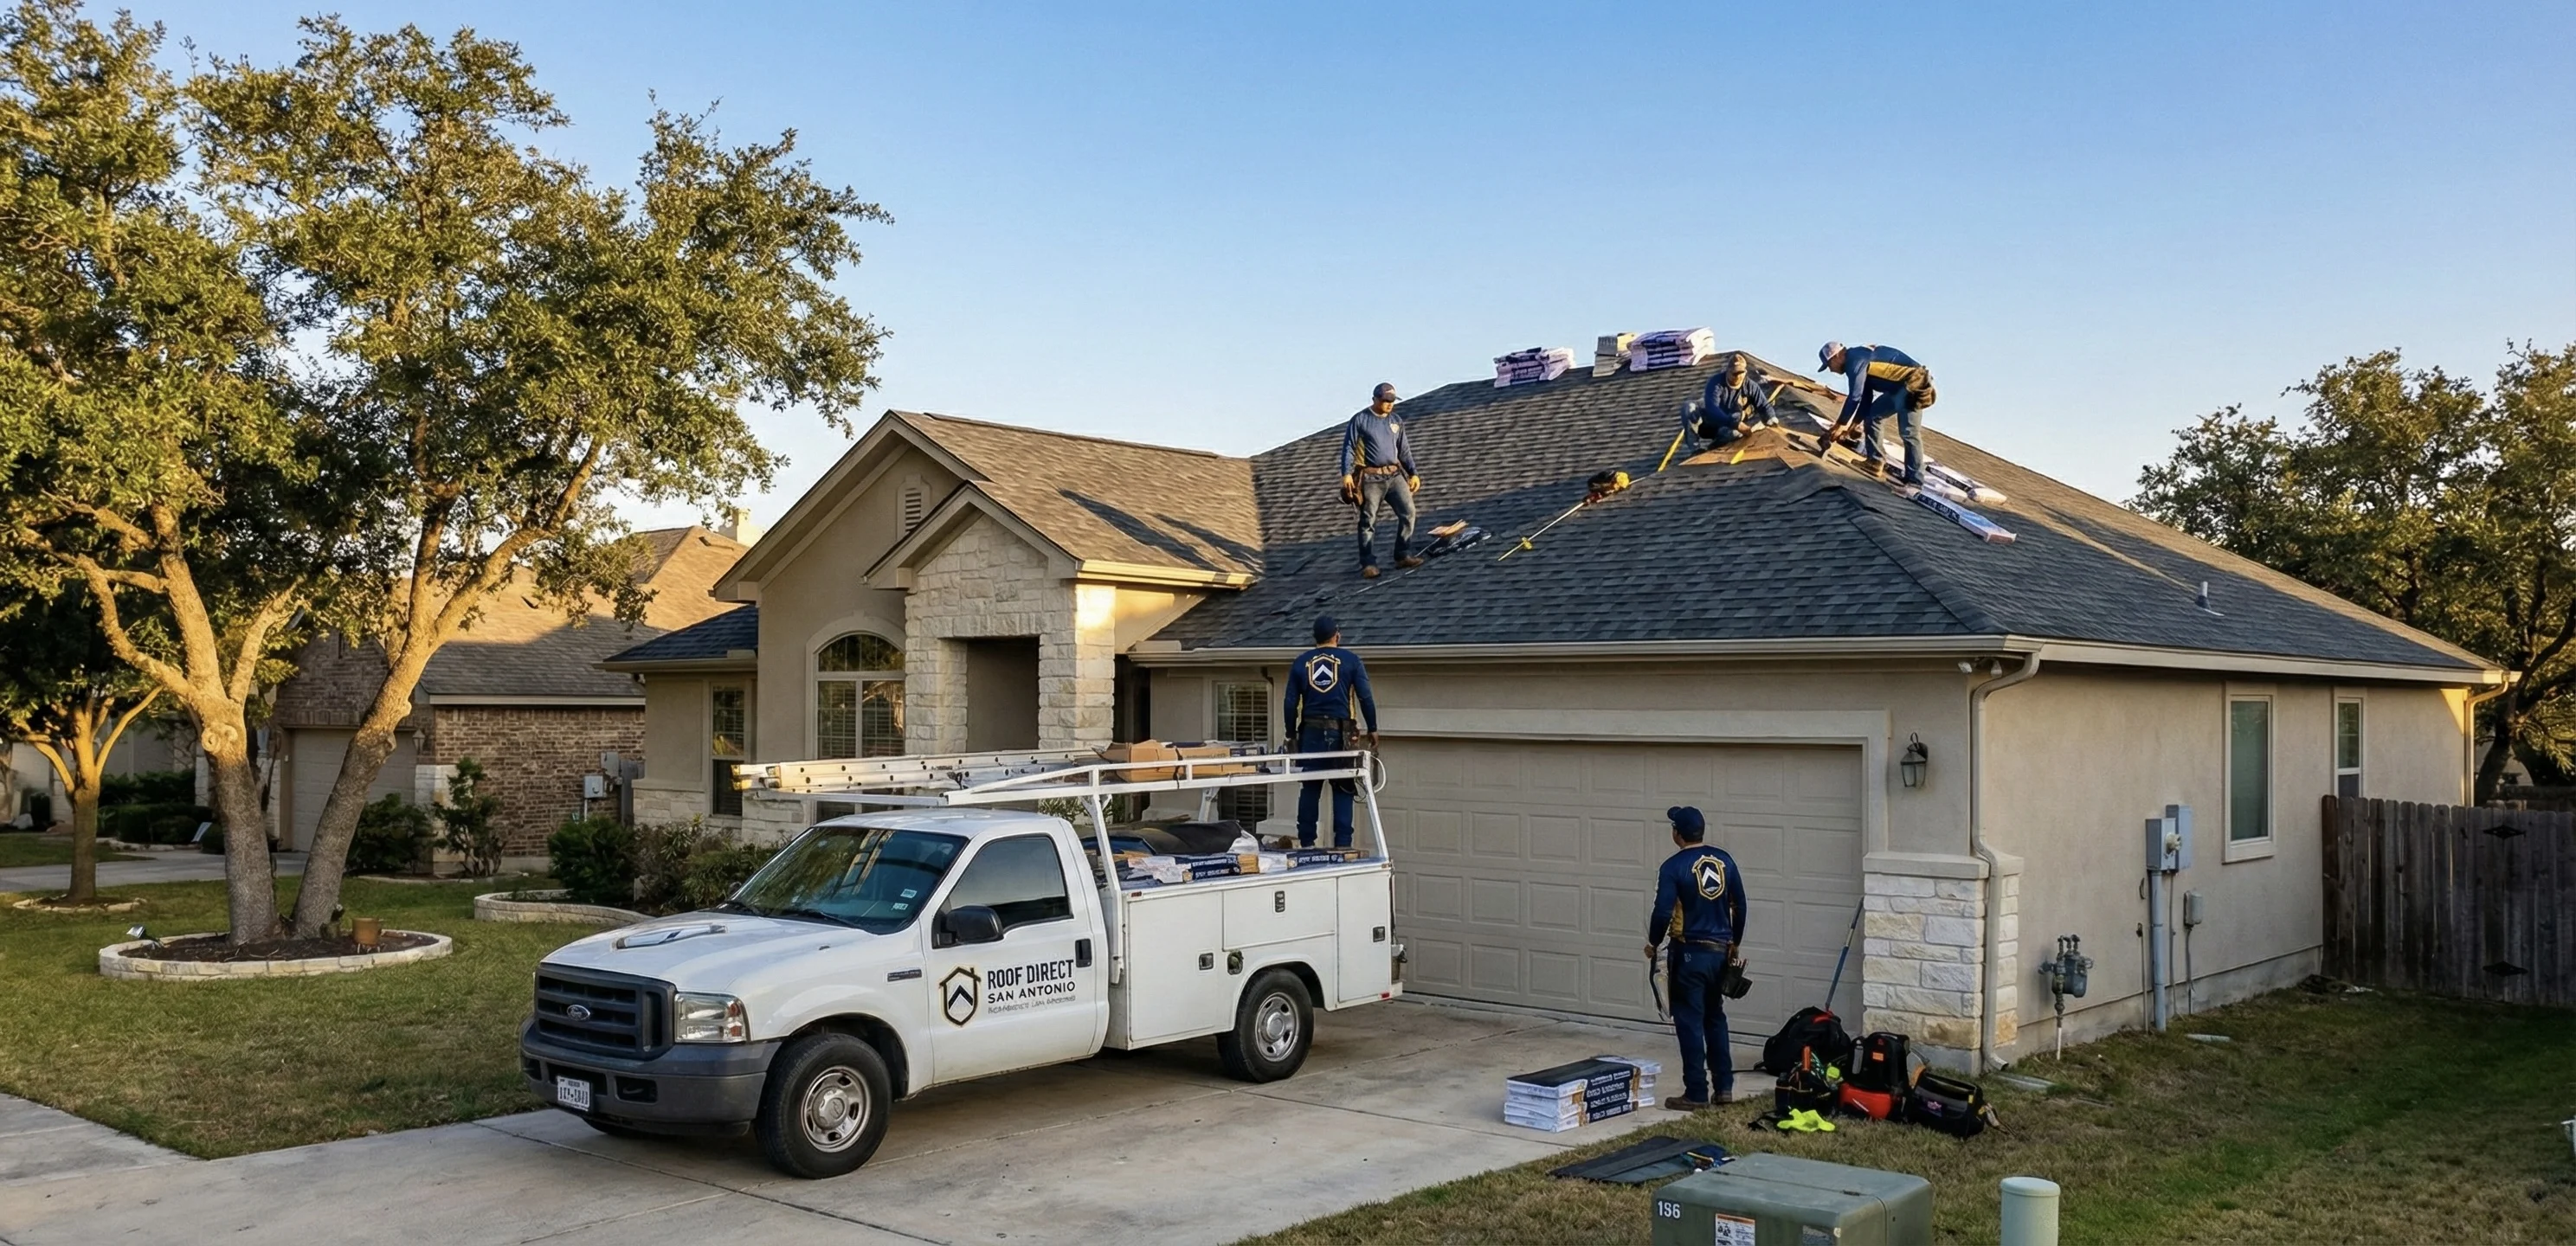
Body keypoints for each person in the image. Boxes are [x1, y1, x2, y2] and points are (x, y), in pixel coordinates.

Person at [1645, 806, 1748, 1109]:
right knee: (1715, 1018)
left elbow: (1663, 911)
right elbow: (1740, 905)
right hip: (1719, 952)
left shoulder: (1673, 867)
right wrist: (1735, 942)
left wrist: (1653, 942)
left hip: (1690, 952)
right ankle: (1724, 1088)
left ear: (1676, 832)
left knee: (1689, 1021)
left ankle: (1696, 1093)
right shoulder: (1725, 861)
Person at [1280, 614, 1376, 848]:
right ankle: (1343, 845)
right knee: (1343, 786)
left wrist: (1291, 733)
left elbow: (1290, 702)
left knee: (1310, 786)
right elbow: (1365, 696)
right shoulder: (1351, 660)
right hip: (1341, 734)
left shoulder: (1301, 662)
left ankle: (1307, 843)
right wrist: (1373, 727)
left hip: (1311, 733)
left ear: (1315, 638)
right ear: (1337, 635)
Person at [1818, 341, 1937, 485]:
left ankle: (1915, 479)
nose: (1831, 370)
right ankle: (1876, 462)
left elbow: (1855, 397)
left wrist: (1840, 425)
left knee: (1909, 433)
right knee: (1873, 416)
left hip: (1913, 383)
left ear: (1836, 357)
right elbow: (1865, 398)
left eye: (1829, 365)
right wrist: (1853, 426)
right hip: (1901, 386)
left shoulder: (1855, 361)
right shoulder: (1860, 359)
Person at [1339, 382, 1423, 579]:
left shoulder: (1396, 421)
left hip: (1394, 475)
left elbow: (1404, 450)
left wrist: (1413, 473)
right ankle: (1368, 563)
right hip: (1370, 477)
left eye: (1392, 401)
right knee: (1368, 520)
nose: (1389, 405)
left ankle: (1402, 555)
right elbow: (1349, 448)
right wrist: (1347, 473)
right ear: (1375, 399)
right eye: (1385, 401)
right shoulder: (1361, 420)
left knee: (1409, 512)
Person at [1683, 352, 1778, 451]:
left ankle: (1715, 447)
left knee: (1735, 433)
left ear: (1745, 372)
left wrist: (1771, 419)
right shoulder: (1716, 383)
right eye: (1734, 373)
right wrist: (1735, 424)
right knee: (1689, 407)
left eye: (1740, 373)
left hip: (1726, 429)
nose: (1737, 376)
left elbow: (1763, 405)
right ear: (1727, 371)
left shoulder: (1751, 386)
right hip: (1708, 424)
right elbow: (1713, 410)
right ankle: (1695, 450)